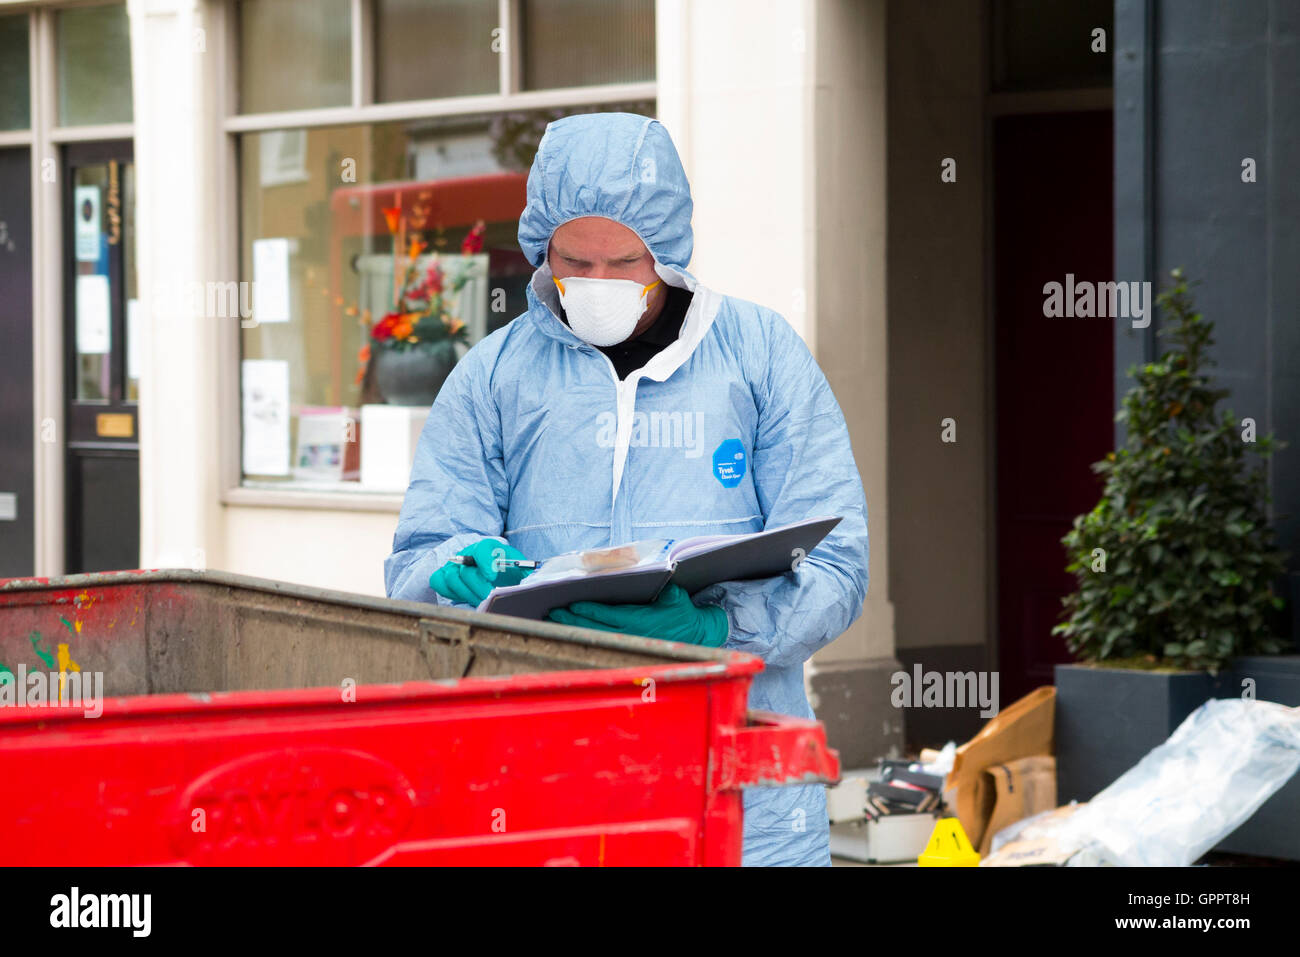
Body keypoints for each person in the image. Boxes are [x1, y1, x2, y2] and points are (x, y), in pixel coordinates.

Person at [385, 112, 869, 866]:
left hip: (739, 793)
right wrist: (456, 564)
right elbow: (418, 558)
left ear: (667, 254)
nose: (598, 284)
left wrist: (717, 633)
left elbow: (836, 567)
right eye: (575, 261)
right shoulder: (493, 375)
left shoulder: (761, 356)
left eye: (624, 263)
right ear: (541, 249)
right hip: (549, 787)